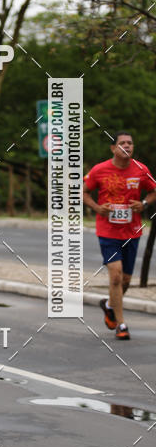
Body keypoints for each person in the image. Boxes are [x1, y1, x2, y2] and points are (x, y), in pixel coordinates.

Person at [83, 132, 155, 340]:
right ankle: (121, 325)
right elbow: (84, 191)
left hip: (132, 231)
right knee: (115, 275)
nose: (127, 146)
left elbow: (153, 191)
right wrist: (97, 207)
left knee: (125, 280)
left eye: (130, 143)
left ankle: (108, 305)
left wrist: (143, 204)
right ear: (113, 148)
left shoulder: (141, 170)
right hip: (108, 231)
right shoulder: (100, 170)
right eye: (122, 143)